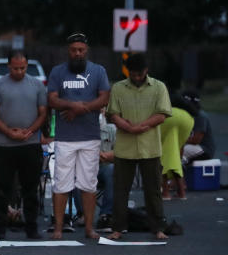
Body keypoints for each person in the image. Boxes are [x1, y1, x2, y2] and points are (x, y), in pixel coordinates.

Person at [46, 33, 110, 240]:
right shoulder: (58, 72)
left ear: (86, 50)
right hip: (65, 138)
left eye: (81, 50)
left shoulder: (98, 71)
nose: (77, 53)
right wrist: (71, 105)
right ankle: (58, 228)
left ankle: (90, 228)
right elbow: (52, 100)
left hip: (90, 137)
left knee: (88, 184)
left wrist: (82, 109)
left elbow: (104, 98)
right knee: (61, 184)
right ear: (68, 51)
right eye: (74, 50)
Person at [105, 53, 171, 240]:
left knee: (153, 190)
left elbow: (162, 114)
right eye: (133, 74)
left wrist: (141, 126)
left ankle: (158, 228)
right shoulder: (118, 88)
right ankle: (117, 228)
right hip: (125, 148)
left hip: (150, 147)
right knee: (120, 189)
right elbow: (112, 114)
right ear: (128, 72)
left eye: (139, 74)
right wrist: (126, 126)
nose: (136, 77)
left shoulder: (158, 87)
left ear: (146, 71)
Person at [0, 50, 48, 239]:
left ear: (27, 66)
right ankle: (0, 228)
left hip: (30, 143)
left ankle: (31, 227)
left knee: (30, 187)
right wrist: (8, 132)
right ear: (9, 66)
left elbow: (43, 113)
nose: (19, 72)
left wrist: (30, 131)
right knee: (2, 188)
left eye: (22, 68)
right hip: (3, 145)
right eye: (15, 68)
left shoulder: (37, 85)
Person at [159, 93, 195, 200]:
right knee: (174, 160)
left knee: (164, 160)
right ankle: (182, 193)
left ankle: (165, 193)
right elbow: (181, 146)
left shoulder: (163, 100)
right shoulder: (185, 108)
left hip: (168, 118)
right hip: (187, 119)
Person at [182, 90, 216, 164]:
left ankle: (178, 174)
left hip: (204, 149)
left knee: (181, 151)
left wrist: (178, 140)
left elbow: (196, 140)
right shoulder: (188, 114)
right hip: (193, 147)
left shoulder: (200, 116)